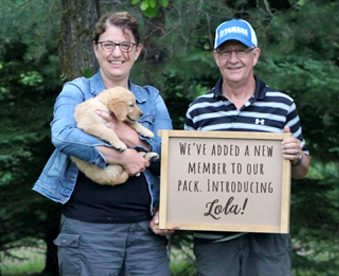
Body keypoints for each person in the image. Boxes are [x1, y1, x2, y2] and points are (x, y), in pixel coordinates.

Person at [34, 11, 173, 276]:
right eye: (108, 44)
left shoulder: (151, 99)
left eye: (125, 45)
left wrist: (130, 136)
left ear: (137, 50)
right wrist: (122, 157)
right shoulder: (77, 91)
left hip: (146, 234)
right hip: (88, 231)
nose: (117, 53)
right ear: (96, 49)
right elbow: (62, 135)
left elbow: (171, 158)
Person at [184, 19, 311, 276]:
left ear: (255, 55)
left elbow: (303, 169)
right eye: (225, 52)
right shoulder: (198, 109)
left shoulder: (282, 105)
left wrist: (296, 156)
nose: (234, 59)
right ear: (216, 57)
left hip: (268, 238)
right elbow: (186, 174)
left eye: (241, 51)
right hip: (214, 238)